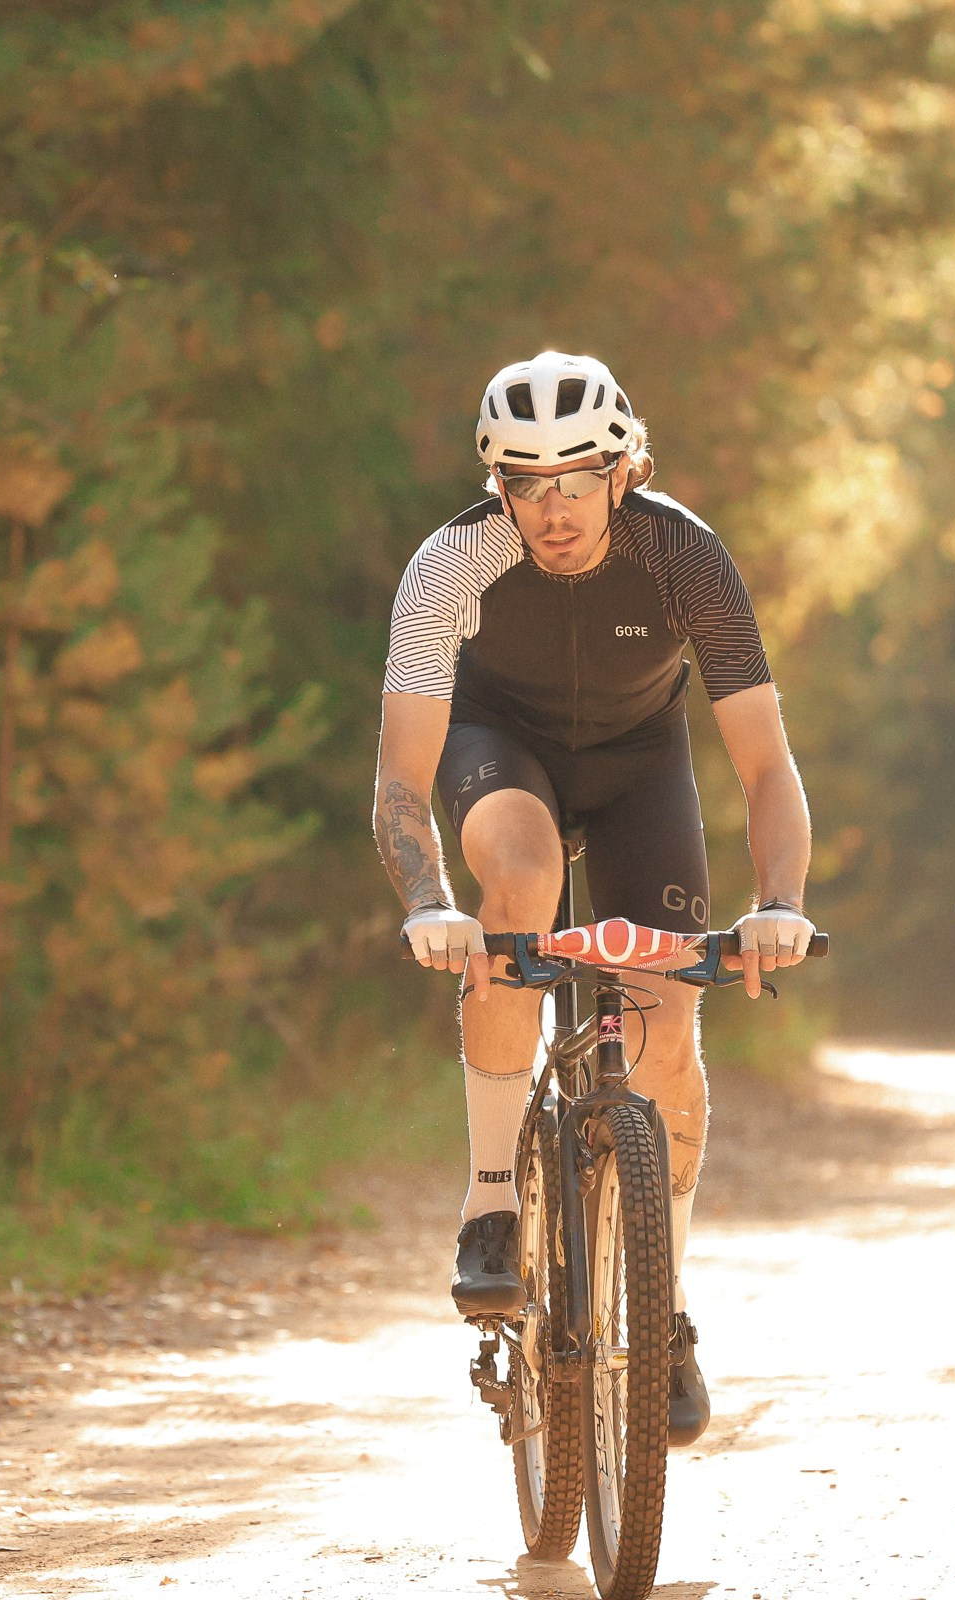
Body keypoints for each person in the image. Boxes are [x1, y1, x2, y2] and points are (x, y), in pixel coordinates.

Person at [372, 351, 815, 1445]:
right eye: (526, 485)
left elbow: (765, 763)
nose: (553, 509)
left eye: (576, 479)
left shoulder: (686, 558)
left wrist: (780, 900)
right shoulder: (449, 567)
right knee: (515, 887)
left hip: (637, 766)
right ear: (497, 490)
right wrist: (432, 901)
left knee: (666, 1024)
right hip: (500, 751)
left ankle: (659, 1310)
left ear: (627, 471)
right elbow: (398, 780)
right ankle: (490, 1200)